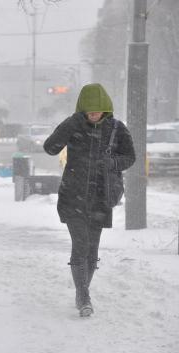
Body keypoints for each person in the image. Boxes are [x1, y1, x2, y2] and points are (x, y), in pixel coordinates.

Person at [43, 83, 135, 317]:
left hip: (101, 199)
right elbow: (50, 148)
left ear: (106, 109)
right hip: (73, 196)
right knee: (80, 246)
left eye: (98, 110)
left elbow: (130, 157)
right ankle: (84, 296)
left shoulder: (116, 128)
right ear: (82, 109)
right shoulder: (74, 125)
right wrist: (71, 124)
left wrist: (112, 163)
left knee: (92, 251)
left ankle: (81, 290)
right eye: (89, 110)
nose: (94, 114)